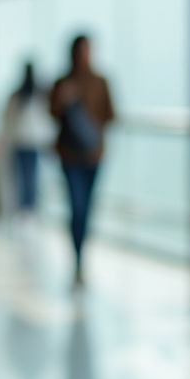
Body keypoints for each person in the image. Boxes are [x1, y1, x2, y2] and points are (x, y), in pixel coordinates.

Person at [50, 35, 115, 285]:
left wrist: (90, 124)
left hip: (94, 156)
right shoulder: (62, 82)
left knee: (87, 209)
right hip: (69, 156)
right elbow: (52, 112)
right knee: (76, 207)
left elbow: (111, 114)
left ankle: (82, 257)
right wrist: (65, 100)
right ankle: (77, 259)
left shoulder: (101, 81)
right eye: (81, 51)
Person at [2, 61, 54, 215]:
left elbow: (8, 122)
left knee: (28, 182)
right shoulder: (26, 96)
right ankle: (24, 214)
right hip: (25, 144)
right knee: (25, 181)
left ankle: (27, 214)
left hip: (28, 144)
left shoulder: (32, 96)